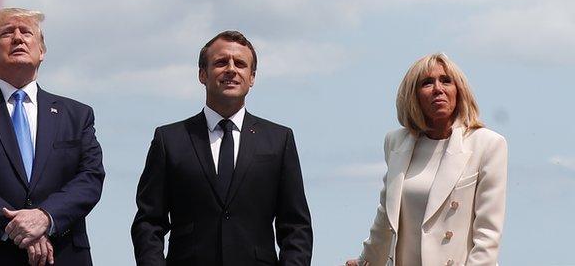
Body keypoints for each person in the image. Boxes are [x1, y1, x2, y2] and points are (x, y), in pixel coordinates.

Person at [0, 8, 104, 266]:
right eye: (7, 33)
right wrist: (16, 227)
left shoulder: (77, 115)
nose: (18, 38)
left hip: (61, 254)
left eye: (26, 32)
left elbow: (90, 178)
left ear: (42, 51)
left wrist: (45, 217)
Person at [132, 30, 313, 265]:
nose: (231, 69)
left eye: (240, 64)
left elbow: (296, 226)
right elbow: (149, 222)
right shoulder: (169, 140)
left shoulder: (279, 140)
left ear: (252, 77)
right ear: (202, 74)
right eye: (220, 62)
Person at [345, 53, 507, 266]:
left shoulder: (488, 143)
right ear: (413, 95)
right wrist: (366, 261)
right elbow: (387, 216)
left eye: (446, 81)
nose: (438, 89)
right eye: (427, 83)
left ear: (459, 90)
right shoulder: (396, 142)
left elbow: (487, 233)